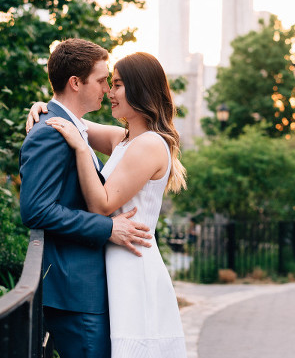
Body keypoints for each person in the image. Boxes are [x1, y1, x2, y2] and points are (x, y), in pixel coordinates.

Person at [33, 51, 188, 357]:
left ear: (140, 89)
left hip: (132, 263)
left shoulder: (151, 145)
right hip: (114, 259)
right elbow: (71, 119)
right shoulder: (125, 139)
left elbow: (101, 206)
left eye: (117, 85)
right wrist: (44, 108)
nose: (109, 92)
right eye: (109, 83)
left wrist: (79, 149)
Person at [19, 38, 153, 358]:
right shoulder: (50, 134)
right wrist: (107, 228)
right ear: (75, 83)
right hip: (74, 289)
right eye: (101, 80)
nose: (107, 89)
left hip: (87, 287)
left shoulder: (72, 127)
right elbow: (35, 210)